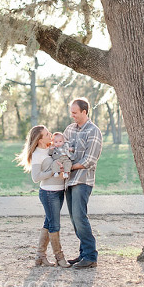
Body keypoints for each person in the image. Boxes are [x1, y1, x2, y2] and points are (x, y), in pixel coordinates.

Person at [16, 125, 70, 268]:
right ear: (40, 140)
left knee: (48, 223)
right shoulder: (37, 155)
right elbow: (36, 177)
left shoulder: (52, 149)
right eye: (46, 134)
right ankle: (60, 257)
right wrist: (53, 172)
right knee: (54, 224)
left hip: (59, 191)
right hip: (48, 193)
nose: (50, 135)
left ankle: (40, 257)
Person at [63, 97, 102, 269]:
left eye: (75, 112)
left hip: (83, 180)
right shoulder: (69, 130)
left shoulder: (94, 131)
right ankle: (83, 254)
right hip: (68, 181)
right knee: (74, 218)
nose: (72, 115)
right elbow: (61, 149)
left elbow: (90, 160)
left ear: (84, 112)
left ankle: (91, 256)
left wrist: (70, 167)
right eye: (71, 112)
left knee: (80, 217)